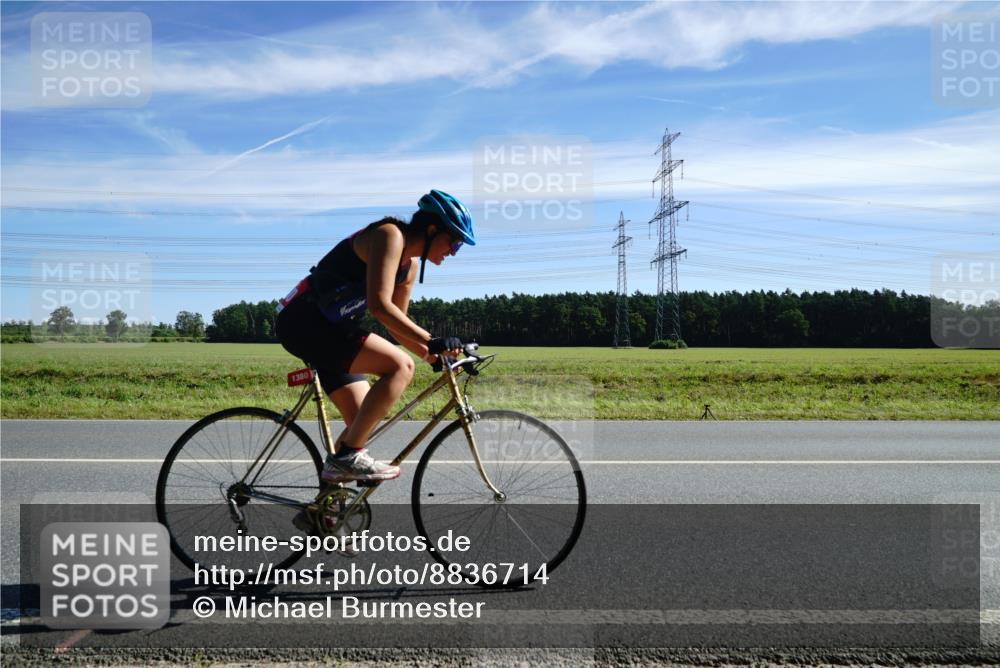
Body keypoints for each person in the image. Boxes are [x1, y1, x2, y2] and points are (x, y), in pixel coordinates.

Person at [275, 189, 474, 485]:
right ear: (433, 230)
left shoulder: (409, 267)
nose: (453, 251)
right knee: (400, 367)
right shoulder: (389, 235)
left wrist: (433, 354)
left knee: (360, 426)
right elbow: (381, 307)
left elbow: (397, 326)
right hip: (304, 321)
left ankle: (323, 514)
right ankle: (345, 460)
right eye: (454, 241)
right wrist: (432, 340)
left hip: (330, 330)